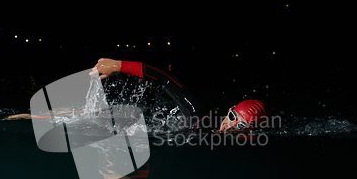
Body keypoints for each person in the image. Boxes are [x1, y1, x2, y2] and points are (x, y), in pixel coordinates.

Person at [89, 58, 270, 134]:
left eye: (241, 125)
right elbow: (166, 79)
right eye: (232, 116)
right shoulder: (201, 118)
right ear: (229, 110)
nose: (230, 125)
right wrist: (119, 65)